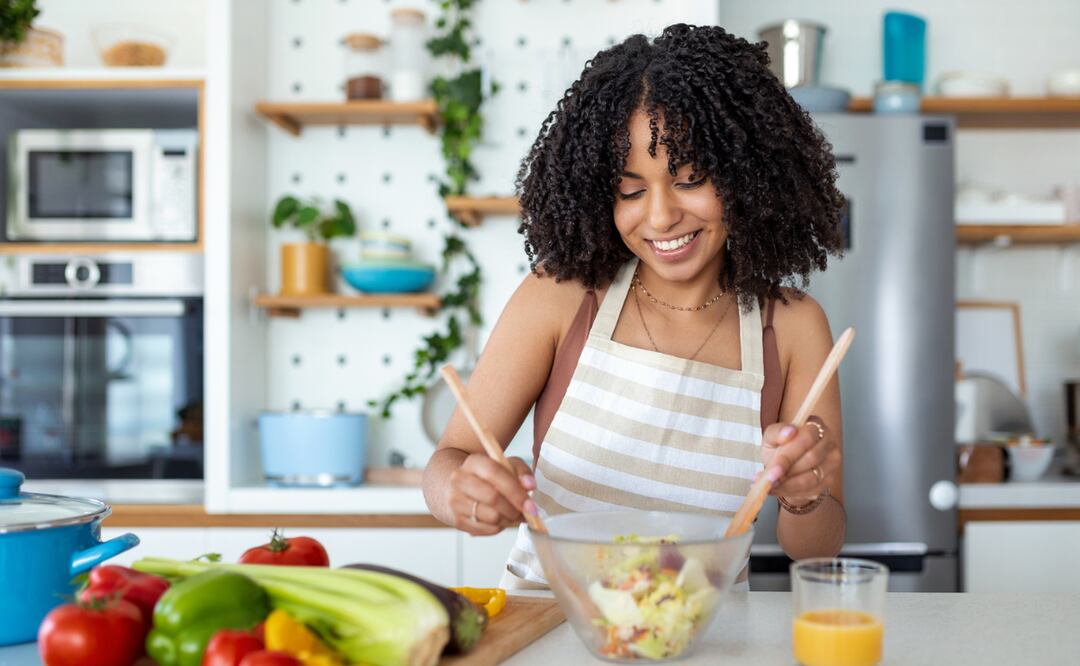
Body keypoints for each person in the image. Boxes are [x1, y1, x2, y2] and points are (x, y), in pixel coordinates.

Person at [423, 24, 846, 589]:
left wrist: (805, 494)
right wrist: (460, 490)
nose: (661, 216)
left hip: (706, 631)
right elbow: (450, 458)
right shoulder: (561, 296)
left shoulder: (792, 327)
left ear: (749, 175)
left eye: (691, 179)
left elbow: (817, 546)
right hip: (553, 624)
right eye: (631, 190)